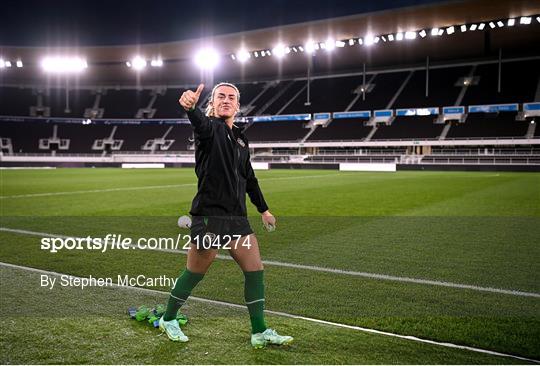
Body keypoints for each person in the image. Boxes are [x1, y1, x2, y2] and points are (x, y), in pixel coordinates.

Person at [158, 82, 293, 349]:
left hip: (238, 220)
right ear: (213, 102)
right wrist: (190, 108)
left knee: (255, 271)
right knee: (195, 273)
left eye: (232, 97)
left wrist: (263, 210)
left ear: (238, 105)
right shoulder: (209, 128)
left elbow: (249, 178)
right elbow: (199, 123)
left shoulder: (241, 138)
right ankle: (168, 318)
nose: (226, 100)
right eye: (221, 96)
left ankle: (259, 331)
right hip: (209, 217)